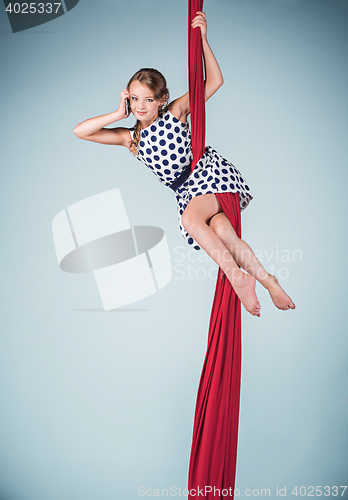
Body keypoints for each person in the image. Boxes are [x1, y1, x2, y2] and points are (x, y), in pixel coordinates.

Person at [73, 11, 295, 317]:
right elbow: (80, 132)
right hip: (187, 193)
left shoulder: (176, 111)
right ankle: (269, 281)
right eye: (135, 99)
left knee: (192, 222)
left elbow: (215, 81)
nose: (140, 106)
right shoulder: (130, 138)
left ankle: (238, 279)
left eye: (148, 100)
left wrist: (203, 40)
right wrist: (117, 113)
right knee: (226, 237)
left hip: (206, 174)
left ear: (162, 99)